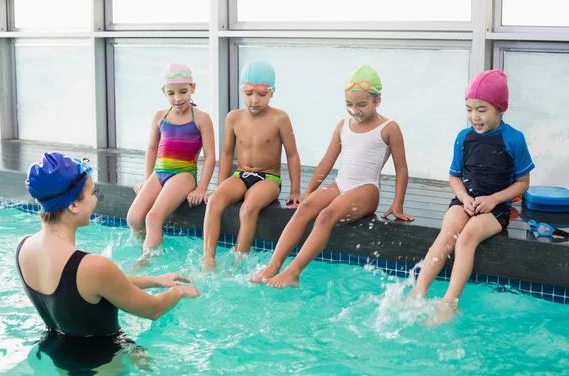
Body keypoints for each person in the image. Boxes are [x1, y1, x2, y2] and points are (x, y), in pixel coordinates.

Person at [18, 152, 201, 372]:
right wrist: (178, 293)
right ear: (74, 205)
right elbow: (153, 309)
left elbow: (90, 286)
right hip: (104, 364)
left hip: (54, 351)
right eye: (93, 192)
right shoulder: (93, 266)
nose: (96, 199)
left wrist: (155, 280)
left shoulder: (23, 247)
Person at [250, 64, 414, 288]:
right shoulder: (343, 125)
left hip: (366, 190)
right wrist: (306, 194)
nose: (355, 110)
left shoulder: (388, 128)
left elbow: (401, 168)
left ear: (377, 101)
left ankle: (293, 271)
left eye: (362, 104)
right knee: (306, 209)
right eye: (349, 104)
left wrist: (397, 205)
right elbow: (327, 161)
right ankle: (272, 266)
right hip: (340, 184)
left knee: (326, 215)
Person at [412, 70, 535, 325]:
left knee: (467, 237)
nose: (474, 117)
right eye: (469, 109)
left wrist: (493, 199)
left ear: (500, 109)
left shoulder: (514, 139)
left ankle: (449, 303)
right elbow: (454, 177)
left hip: (496, 208)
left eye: (481, 110)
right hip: (465, 200)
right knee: (447, 234)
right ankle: (418, 291)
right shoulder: (463, 138)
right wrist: (464, 197)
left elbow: (523, 183)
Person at [202, 60, 302, 270]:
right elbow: (228, 153)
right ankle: (208, 259)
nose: (254, 100)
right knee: (214, 202)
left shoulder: (280, 118)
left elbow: (292, 155)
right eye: (249, 94)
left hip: (268, 179)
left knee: (248, 209)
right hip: (241, 175)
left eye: (261, 95)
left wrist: (295, 190)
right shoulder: (233, 118)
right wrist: (220, 185)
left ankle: (238, 261)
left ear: (272, 93)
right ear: (242, 91)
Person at [127, 63, 215, 255]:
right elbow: (151, 149)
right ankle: (152, 247)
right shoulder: (160, 116)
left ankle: (146, 260)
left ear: (193, 88)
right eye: (171, 93)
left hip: (183, 174)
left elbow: (210, 156)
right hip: (159, 173)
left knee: (153, 217)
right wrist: (146, 179)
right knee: (133, 218)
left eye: (183, 91)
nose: (178, 98)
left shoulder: (201, 118)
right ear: (164, 92)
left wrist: (201, 188)